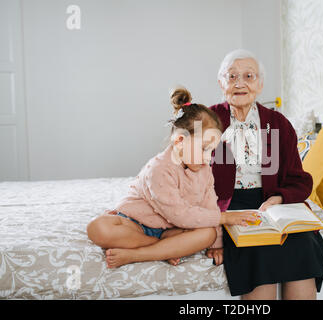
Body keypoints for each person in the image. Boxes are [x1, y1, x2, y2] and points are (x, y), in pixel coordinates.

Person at [87, 87, 257, 268]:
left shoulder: (204, 170)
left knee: (208, 234)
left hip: (169, 229)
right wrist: (224, 218)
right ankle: (160, 250)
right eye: (204, 149)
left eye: (212, 150)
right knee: (97, 228)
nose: (209, 157)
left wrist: (216, 245)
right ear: (179, 142)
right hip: (134, 224)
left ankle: (147, 251)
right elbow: (181, 214)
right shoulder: (159, 169)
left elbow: (209, 207)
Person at [208, 49, 323, 300]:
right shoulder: (208, 120)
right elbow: (188, 175)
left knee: (302, 242)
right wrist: (215, 223)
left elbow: (299, 179)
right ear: (221, 82)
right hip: (228, 205)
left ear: (260, 84)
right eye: (232, 76)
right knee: (256, 243)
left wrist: (280, 199)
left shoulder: (278, 123)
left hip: (270, 202)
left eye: (249, 76)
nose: (240, 83)